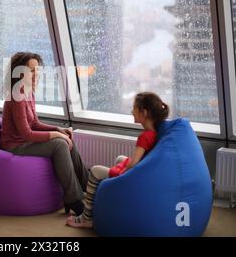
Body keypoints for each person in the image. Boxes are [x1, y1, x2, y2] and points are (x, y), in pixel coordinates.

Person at [0, 52, 89, 215]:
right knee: (59, 144)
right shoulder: (16, 96)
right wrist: (57, 136)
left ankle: (88, 187)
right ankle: (73, 198)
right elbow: (26, 134)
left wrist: (58, 130)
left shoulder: (28, 92)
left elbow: (34, 123)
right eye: (31, 70)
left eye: (38, 70)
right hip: (15, 145)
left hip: (25, 141)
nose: (36, 75)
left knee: (66, 137)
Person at [66, 92, 169, 228]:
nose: (132, 111)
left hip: (134, 175)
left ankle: (87, 217)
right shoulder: (155, 133)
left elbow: (134, 163)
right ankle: (104, 201)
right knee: (120, 158)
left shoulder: (145, 137)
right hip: (143, 171)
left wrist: (122, 173)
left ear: (143, 113)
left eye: (134, 108)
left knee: (96, 170)